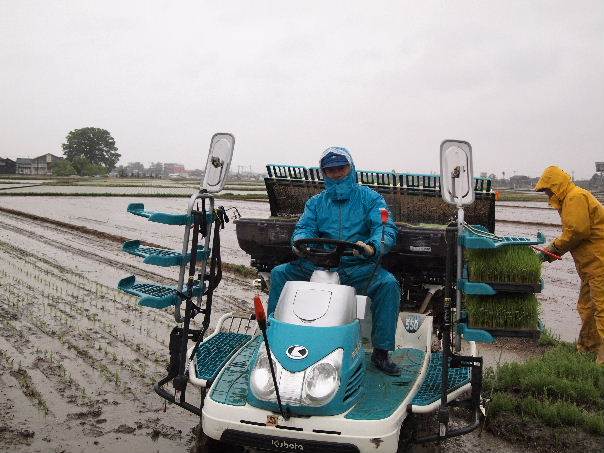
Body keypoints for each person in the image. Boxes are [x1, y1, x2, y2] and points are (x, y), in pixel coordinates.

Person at [267, 147, 402, 375]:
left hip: (356, 266)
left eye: (341, 168)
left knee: (388, 285)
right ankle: (272, 338)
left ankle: (381, 352)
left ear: (351, 168)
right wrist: (300, 243)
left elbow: (384, 227)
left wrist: (372, 246)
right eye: (330, 170)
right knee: (280, 273)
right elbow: (303, 228)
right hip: (317, 266)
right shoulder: (316, 203)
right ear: (324, 173)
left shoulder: (371, 198)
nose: (336, 173)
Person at [535, 165, 604, 365]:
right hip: (590, 266)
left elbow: (576, 231)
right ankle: (587, 349)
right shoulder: (570, 199)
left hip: (599, 263)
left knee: (601, 309)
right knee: (587, 307)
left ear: (556, 186)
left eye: (548, 190)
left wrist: (551, 250)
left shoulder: (574, 197)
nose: (547, 195)